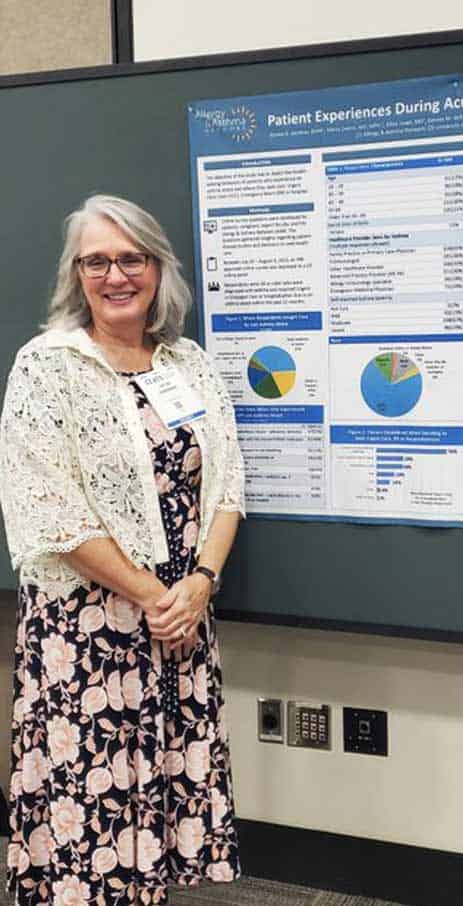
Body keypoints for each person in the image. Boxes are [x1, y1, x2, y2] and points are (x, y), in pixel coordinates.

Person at [0, 194, 246, 903]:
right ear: (76, 275)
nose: (116, 275)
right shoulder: (46, 367)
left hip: (178, 620)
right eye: (97, 261)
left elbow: (228, 483)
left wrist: (198, 585)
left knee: (158, 808)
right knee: (92, 815)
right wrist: (154, 596)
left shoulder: (188, 363)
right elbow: (50, 511)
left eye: (131, 258)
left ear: (157, 267)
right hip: (89, 633)